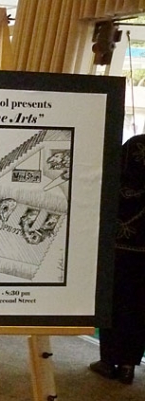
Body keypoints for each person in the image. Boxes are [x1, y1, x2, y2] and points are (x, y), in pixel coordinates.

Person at [90, 133, 145, 385]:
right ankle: (128, 366)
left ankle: (108, 361)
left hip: (118, 249)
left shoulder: (132, 148)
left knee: (113, 302)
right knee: (138, 308)